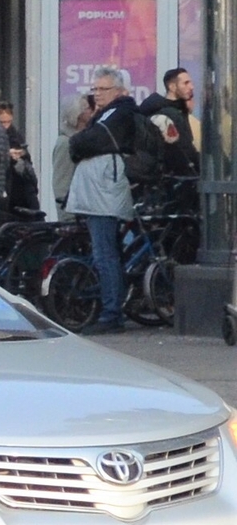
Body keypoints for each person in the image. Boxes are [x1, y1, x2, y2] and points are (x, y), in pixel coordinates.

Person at [65, 67, 155, 335]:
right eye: (94, 89)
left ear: (117, 91)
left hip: (102, 193)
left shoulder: (118, 112)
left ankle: (111, 312)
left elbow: (87, 141)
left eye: (102, 89)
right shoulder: (113, 112)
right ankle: (111, 307)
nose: (97, 94)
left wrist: (77, 143)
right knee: (107, 252)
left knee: (105, 254)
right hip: (99, 192)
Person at [138, 68, 201, 207]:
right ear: (172, 87)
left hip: (165, 180)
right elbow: (183, 149)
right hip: (175, 180)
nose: (191, 87)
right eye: (186, 83)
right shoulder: (170, 114)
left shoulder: (171, 110)